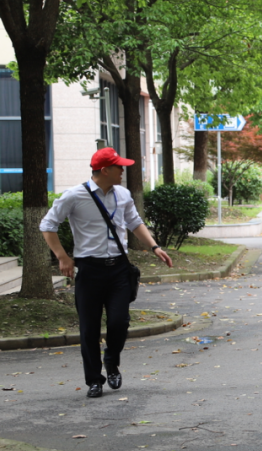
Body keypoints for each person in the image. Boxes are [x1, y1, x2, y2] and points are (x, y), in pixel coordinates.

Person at [39, 148, 174, 398]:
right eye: (118, 167)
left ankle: (111, 361)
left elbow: (134, 222)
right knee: (89, 328)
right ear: (105, 170)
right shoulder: (74, 195)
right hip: (89, 270)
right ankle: (94, 379)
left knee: (119, 321)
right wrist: (62, 257)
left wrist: (154, 247)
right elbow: (48, 225)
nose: (123, 171)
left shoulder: (122, 194)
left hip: (119, 269)